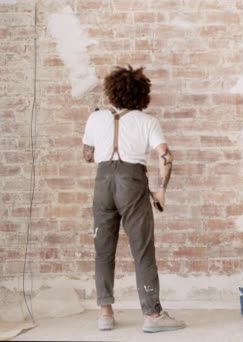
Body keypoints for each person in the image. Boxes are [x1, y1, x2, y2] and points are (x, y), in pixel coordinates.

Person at [82, 65, 185, 333]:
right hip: (132, 182)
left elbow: (87, 155)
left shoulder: (96, 118)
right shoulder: (147, 121)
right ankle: (152, 315)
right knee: (142, 249)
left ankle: (105, 313)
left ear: (111, 92)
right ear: (142, 94)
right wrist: (161, 189)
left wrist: (96, 130)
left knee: (103, 251)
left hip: (103, 184)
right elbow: (165, 155)